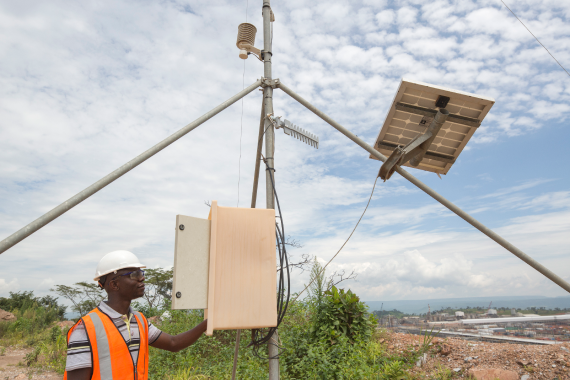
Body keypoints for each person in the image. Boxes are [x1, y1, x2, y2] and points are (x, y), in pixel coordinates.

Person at [64, 250, 207, 380]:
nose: (142, 279)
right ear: (114, 285)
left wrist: (207, 323)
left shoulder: (139, 320)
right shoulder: (86, 328)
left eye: (141, 273)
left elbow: (173, 343)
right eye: (134, 275)